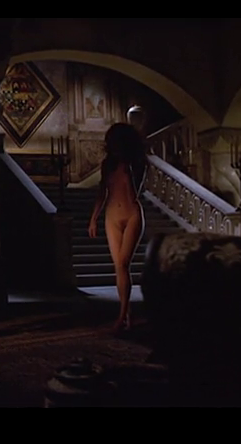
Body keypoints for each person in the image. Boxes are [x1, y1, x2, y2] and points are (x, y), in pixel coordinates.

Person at [88, 123, 148, 331]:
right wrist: (93, 219)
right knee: (119, 267)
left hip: (132, 215)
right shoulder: (107, 165)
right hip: (112, 216)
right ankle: (126, 314)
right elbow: (101, 193)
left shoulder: (136, 164)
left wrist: (128, 173)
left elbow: (133, 195)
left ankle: (122, 316)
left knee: (123, 263)